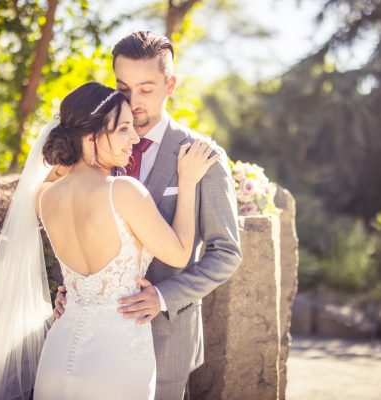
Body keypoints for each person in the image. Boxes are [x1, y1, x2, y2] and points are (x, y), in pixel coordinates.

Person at [0, 82, 218, 400]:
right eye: (123, 129)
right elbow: (178, 253)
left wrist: (79, 148)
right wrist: (187, 181)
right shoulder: (124, 191)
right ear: (91, 136)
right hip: (118, 355)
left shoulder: (43, 198)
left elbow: (54, 171)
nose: (134, 138)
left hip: (58, 351)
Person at [53, 31, 243, 400]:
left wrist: (163, 296)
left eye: (146, 89)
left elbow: (226, 253)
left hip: (167, 340)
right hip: (91, 339)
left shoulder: (202, 156)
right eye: (123, 89)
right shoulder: (91, 147)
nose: (133, 102)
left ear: (170, 85)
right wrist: (69, 289)